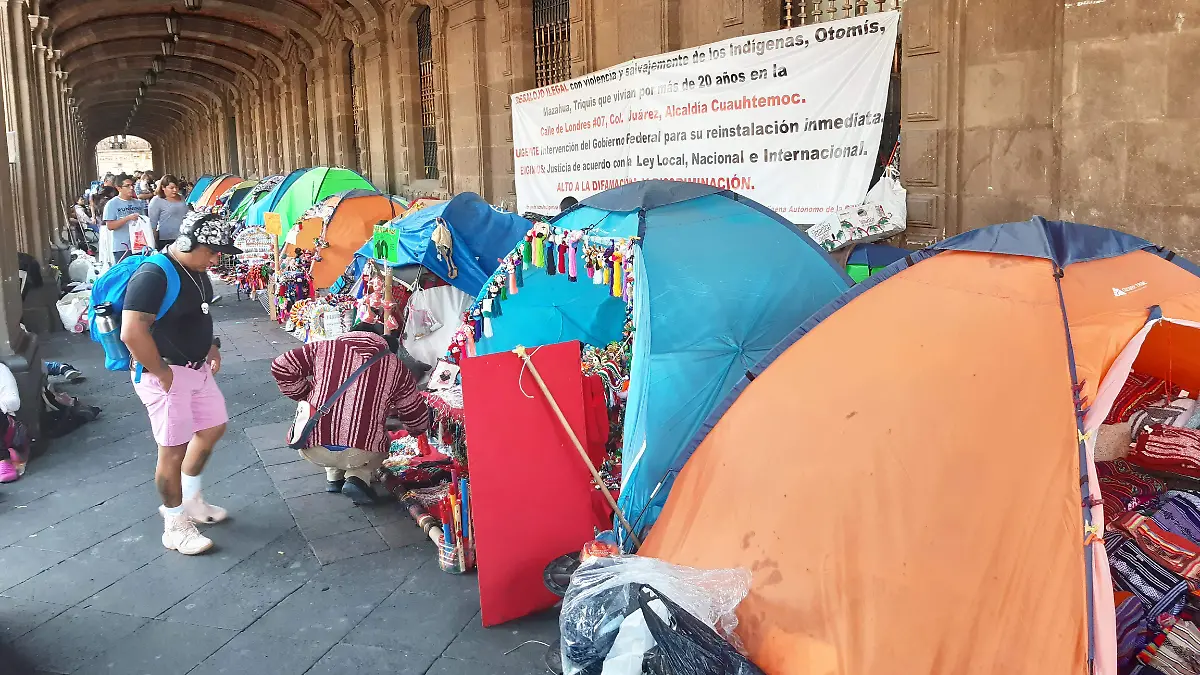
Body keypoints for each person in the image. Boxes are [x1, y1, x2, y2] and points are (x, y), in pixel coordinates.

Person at [120, 212, 242, 556]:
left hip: (195, 369)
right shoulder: (153, 275)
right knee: (172, 451)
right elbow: (132, 332)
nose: (217, 258)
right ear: (188, 243)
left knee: (213, 426)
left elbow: (197, 314)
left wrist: (211, 344)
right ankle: (174, 525)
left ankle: (190, 499)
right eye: (213, 251)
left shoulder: (197, 270)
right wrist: (160, 371)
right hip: (166, 374)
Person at [270, 323, 430, 505]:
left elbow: (280, 366)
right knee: (379, 440)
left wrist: (306, 396)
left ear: (349, 335)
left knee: (332, 424)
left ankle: (333, 477)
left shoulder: (323, 348)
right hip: (360, 451)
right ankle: (357, 477)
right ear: (382, 342)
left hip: (310, 446)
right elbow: (414, 415)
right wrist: (416, 430)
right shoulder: (395, 366)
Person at [102, 175, 147, 262]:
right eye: (127, 186)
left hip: (140, 246)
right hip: (122, 247)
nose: (131, 188)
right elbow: (110, 226)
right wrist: (128, 218)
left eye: (132, 185)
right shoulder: (112, 204)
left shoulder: (138, 203)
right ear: (119, 188)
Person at [148, 175, 188, 251]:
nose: (175, 190)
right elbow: (152, 223)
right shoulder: (156, 201)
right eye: (171, 188)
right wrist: (153, 243)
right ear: (163, 187)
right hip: (166, 239)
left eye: (176, 187)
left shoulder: (181, 197)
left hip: (183, 237)